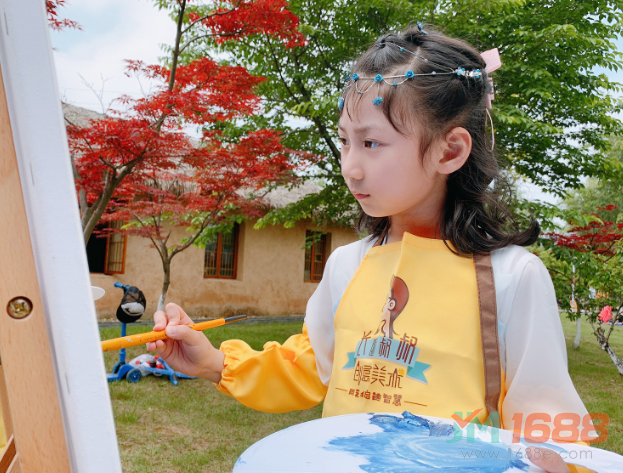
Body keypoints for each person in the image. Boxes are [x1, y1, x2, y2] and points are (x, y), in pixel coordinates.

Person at [148, 24, 591, 473]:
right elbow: (315, 364)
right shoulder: (347, 263)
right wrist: (215, 362)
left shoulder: (512, 276)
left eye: (371, 143)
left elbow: (545, 418)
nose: (350, 168)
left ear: (449, 150)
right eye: (345, 141)